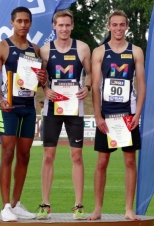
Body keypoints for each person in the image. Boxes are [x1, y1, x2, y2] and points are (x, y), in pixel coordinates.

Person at [87, 10, 145, 221]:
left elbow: (141, 84)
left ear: (126, 26)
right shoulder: (99, 52)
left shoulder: (136, 51)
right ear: (109, 27)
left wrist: (138, 114)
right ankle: (97, 209)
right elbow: (95, 86)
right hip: (107, 115)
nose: (118, 28)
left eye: (122, 25)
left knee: (130, 161)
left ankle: (128, 209)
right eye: (115, 25)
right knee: (102, 162)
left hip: (128, 114)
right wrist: (98, 116)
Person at [0, 6, 46, 222]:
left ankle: (16, 203)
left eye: (27, 21)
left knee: (24, 155)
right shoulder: (2, 47)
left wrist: (42, 79)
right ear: (12, 22)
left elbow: (41, 82)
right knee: (7, 153)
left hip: (28, 108)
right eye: (19, 21)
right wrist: (1, 101)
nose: (23, 25)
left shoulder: (35, 49)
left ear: (31, 23)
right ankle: (5, 206)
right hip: (9, 109)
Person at [37, 9, 92, 220]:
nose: (64, 28)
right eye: (60, 25)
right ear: (54, 26)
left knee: (76, 156)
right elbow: (40, 76)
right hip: (52, 108)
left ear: (72, 26)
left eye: (68, 25)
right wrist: (44, 88)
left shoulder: (83, 48)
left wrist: (86, 87)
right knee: (48, 156)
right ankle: (45, 204)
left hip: (74, 108)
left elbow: (90, 73)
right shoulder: (44, 50)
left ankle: (78, 205)